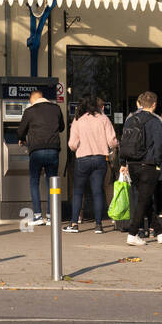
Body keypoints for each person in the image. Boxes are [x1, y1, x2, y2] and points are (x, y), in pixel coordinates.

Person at [121, 91, 162, 246]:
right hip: (148, 164)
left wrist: (122, 163)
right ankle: (132, 234)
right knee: (143, 199)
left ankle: (160, 232)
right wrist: (158, 163)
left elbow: (124, 141)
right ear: (154, 105)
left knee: (144, 198)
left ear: (140, 103)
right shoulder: (156, 120)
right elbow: (160, 143)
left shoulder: (130, 118)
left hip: (132, 164)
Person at [64, 96, 117, 233]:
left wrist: (79, 146)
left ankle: (74, 224)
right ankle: (98, 225)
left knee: (77, 192)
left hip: (83, 159)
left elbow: (72, 144)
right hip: (100, 159)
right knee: (98, 191)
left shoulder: (78, 120)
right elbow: (112, 141)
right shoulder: (104, 119)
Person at [17, 88, 65, 227]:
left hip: (36, 151)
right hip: (53, 151)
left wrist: (21, 138)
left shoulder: (30, 111)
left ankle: (38, 216)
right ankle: (51, 217)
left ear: (32, 99)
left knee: (34, 182)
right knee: (52, 184)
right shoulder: (56, 109)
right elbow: (61, 127)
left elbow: (21, 130)